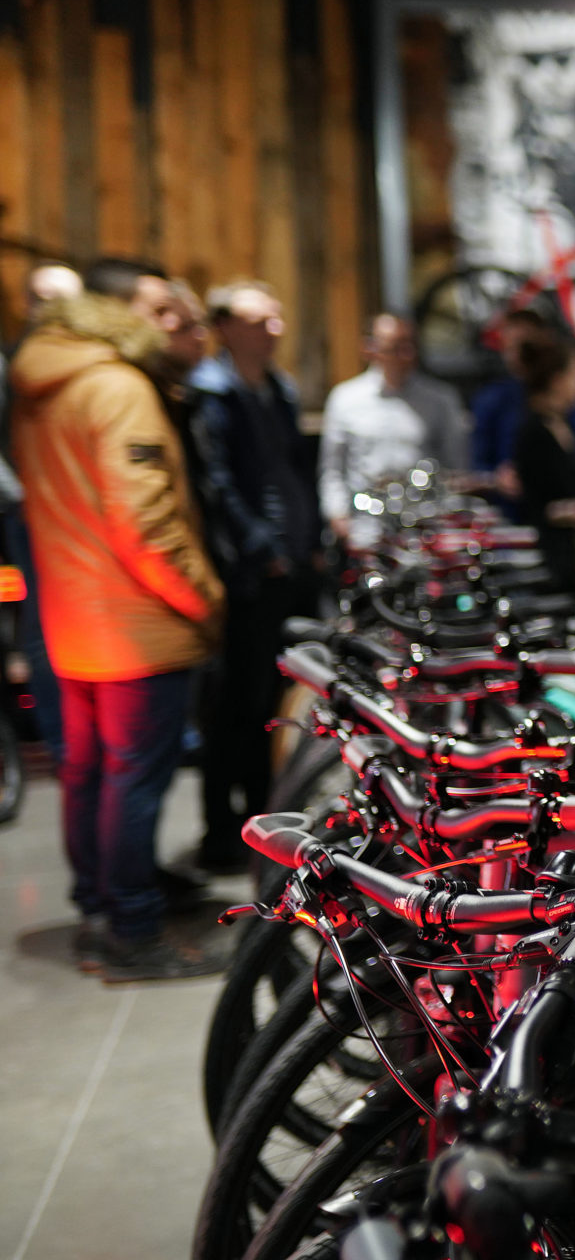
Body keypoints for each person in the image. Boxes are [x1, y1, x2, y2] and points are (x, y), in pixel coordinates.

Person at [12, 256, 227, 979]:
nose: (168, 323)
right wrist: (206, 598)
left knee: (90, 774)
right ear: (115, 312)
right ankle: (133, 931)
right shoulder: (117, 386)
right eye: (155, 308)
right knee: (132, 778)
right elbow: (147, 524)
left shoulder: (43, 382)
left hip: (73, 617)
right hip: (136, 623)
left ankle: (101, 908)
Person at [189, 279, 319, 871]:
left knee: (270, 701)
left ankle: (266, 821)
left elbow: (291, 471)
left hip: (286, 563)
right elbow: (218, 487)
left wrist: (306, 541)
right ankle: (224, 834)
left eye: (277, 318)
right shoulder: (212, 394)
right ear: (225, 327)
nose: (275, 330)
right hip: (247, 573)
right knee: (234, 705)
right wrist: (259, 546)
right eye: (260, 320)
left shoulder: (277, 388)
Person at [3, 262, 87, 764]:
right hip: (33, 516)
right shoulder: (15, 364)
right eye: (48, 299)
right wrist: (21, 497)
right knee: (44, 628)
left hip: (80, 518)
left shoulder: (85, 362)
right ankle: (61, 742)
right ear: (29, 305)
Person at [319, 313, 470, 539]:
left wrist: (451, 516)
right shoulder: (345, 399)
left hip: (424, 525)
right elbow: (333, 468)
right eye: (395, 347)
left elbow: (457, 466)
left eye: (410, 346)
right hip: (365, 525)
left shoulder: (440, 400)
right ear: (370, 349)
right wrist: (337, 515)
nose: (405, 355)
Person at [468, 308, 575, 514]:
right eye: (509, 347)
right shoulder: (500, 404)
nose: (517, 356)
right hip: (523, 513)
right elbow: (480, 463)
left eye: (525, 345)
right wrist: (496, 479)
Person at [511, 333, 575, 592]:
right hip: (554, 558)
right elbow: (541, 504)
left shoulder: (562, 425)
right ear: (558, 381)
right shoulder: (534, 432)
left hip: (574, 551)